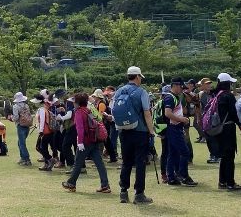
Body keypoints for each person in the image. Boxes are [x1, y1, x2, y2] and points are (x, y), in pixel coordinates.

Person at [115, 66, 156, 204]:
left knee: (126, 162)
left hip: (123, 130)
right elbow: (147, 113)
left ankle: (123, 192)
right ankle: (139, 194)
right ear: (137, 77)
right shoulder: (141, 92)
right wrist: (151, 132)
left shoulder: (119, 90)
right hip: (140, 131)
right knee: (140, 163)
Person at [61, 92, 111, 194]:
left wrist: (80, 142)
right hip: (93, 141)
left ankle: (71, 183)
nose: (73, 103)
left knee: (78, 163)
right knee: (100, 164)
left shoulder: (79, 112)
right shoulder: (88, 110)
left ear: (78, 103)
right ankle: (105, 185)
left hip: (84, 142)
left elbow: (80, 129)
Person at [211, 72, 241, 191]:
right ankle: (230, 182)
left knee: (224, 156)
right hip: (228, 128)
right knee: (230, 155)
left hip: (219, 127)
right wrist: (240, 124)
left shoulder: (216, 94)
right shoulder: (228, 96)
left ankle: (222, 181)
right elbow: (234, 113)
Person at [164, 77, 198, 186]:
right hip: (172, 128)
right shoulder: (170, 98)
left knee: (172, 153)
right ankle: (183, 175)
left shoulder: (174, 97)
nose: (182, 89)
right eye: (181, 87)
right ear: (175, 85)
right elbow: (167, 113)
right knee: (184, 151)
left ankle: (171, 177)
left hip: (175, 127)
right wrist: (182, 120)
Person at [9, 91, 32, 166]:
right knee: (20, 143)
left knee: (21, 143)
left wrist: (11, 118)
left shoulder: (16, 106)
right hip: (27, 125)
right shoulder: (26, 106)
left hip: (20, 125)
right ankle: (22, 157)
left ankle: (26, 159)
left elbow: (16, 117)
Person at [33, 95, 55, 170]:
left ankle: (50, 159)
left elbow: (42, 120)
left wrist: (41, 131)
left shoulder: (41, 110)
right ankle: (47, 164)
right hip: (47, 131)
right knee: (44, 148)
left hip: (45, 132)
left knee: (38, 147)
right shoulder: (44, 108)